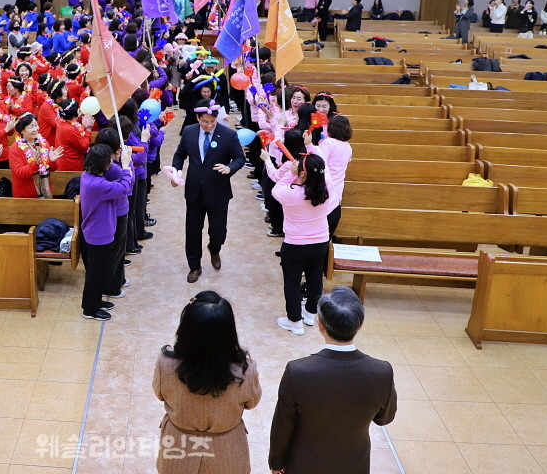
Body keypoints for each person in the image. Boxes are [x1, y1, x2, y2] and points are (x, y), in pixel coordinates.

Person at [269, 287, 397, 474]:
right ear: (360, 324)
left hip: (303, 464)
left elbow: (282, 425)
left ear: (320, 324)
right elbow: (385, 418)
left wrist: (276, 463)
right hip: (354, 464)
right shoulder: (382, 372)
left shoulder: (297, 371)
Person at [154, 291, 261, 474]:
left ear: (186, 329)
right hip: (228, 452)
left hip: (178, 449)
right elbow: (252, 402)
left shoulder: (165, 365)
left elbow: (160, 394)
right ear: (229, 332)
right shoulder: (246, 370)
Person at [171, 99, 246, 283]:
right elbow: (180, 155)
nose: (209, 125)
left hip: (218, 191)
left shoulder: (228, 135)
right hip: (194, 191)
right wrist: (176, 172)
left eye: (212, 122)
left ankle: (215, 248)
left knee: (218, 231)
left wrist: (230, 168)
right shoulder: (189, 132)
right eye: (205, 121)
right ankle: (194, 266)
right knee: (193, 231)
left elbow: (239, 158)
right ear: (197, 118)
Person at [271, 153, 331, 336]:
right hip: (320, 242)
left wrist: (291, 173)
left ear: (302, 174)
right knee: (314, 278)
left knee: (292, 282)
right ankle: (311, 313)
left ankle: (294, 321)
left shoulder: (291, 193)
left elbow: (276, 190)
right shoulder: (327, 190)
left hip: (295, 244)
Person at [80, 143, 133, 320]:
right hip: (98, 233)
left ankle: (95, 301)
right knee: (96, 272)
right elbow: (125, 188)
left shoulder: (89, 175)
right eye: (109, 160)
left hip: (99, 229)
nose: (111, 163)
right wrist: (126, 166)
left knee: (100, 270)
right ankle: (90, 309)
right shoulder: (97, 184)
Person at [9, 112, 63, 199]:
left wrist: (52, 161)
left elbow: (53, 168)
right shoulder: (15, 148)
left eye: (36, 125)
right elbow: (19, 172)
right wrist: (34, 163)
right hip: (25, 193)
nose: (35, 129)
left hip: (45, 190)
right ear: (21, 130)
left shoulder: (43, 143)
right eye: (31, 127)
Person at [54, 99, 93, 172]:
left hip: (63, 161)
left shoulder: (60, 121)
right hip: (71, 166)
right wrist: (88, 129)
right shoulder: (70, 130)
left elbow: (72, 123)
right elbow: (84, 147)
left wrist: (77, 118)